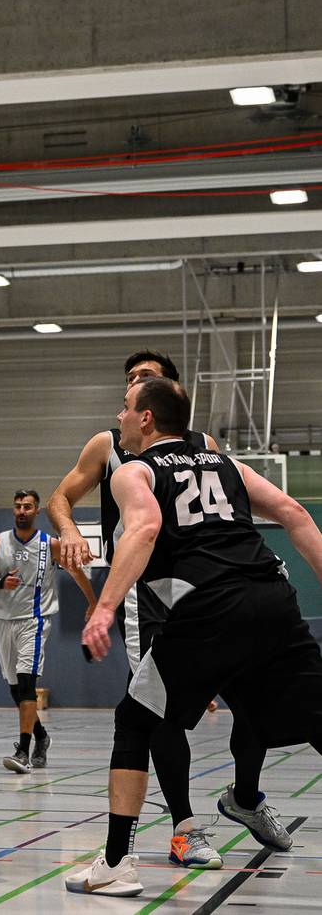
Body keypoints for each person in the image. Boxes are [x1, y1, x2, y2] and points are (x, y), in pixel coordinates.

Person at [66, 377, 322, 897]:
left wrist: (105, 608)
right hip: (273, 597)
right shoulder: (227, 465)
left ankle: (116, 863)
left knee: (135, 720)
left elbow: (143, 529)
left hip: (208, 607)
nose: (118, 417)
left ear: (146, 419)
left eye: (124, 409)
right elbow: (295, 514)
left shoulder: (135, 470)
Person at [47, 350, 276, 869]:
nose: (133, 389)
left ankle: (246, 795)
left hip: (210, 588)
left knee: (255, 701)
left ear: (166, 395)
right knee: (156, 712)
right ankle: (184, 829)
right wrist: (66, 531)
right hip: (146, 590)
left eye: (144, 380)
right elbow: (60, 496)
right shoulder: (109, 444)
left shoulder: (205, 448)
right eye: (128, 381)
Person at [0, 489, 97, 772]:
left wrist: (94, 602)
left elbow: (77, 572)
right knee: (14, 690)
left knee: (26, 685)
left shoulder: (51, 544)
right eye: (18, 506)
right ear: (14, 510)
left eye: (28, 506)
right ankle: (42, 737)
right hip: (2, 620)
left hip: (34, 620)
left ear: (36, 511)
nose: (22, 511)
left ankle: (23, 750)